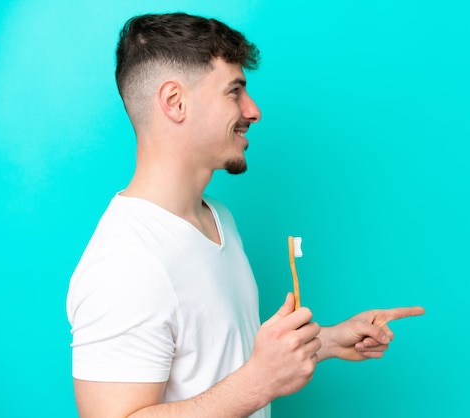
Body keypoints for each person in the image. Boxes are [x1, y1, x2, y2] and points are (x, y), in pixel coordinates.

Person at [66, 12, 425, 418]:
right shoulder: (126, 263)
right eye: (234, 91)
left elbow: (217, 357)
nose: (253, 111)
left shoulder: (217, 219)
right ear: (174, 101)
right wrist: (259, 382)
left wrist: (324, 342)